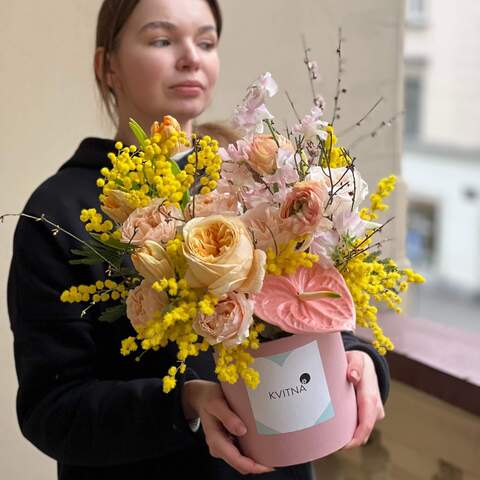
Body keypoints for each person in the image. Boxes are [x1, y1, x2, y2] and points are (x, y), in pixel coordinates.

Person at [7, 1, 389, 479]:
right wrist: (183, 402)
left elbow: (309, 302)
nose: (191, 57)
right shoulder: (58, 214)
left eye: (206, 42)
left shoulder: (263, 180)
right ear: (107, 66)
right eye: (163, 40)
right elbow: (52, 410)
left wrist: (360, 358)